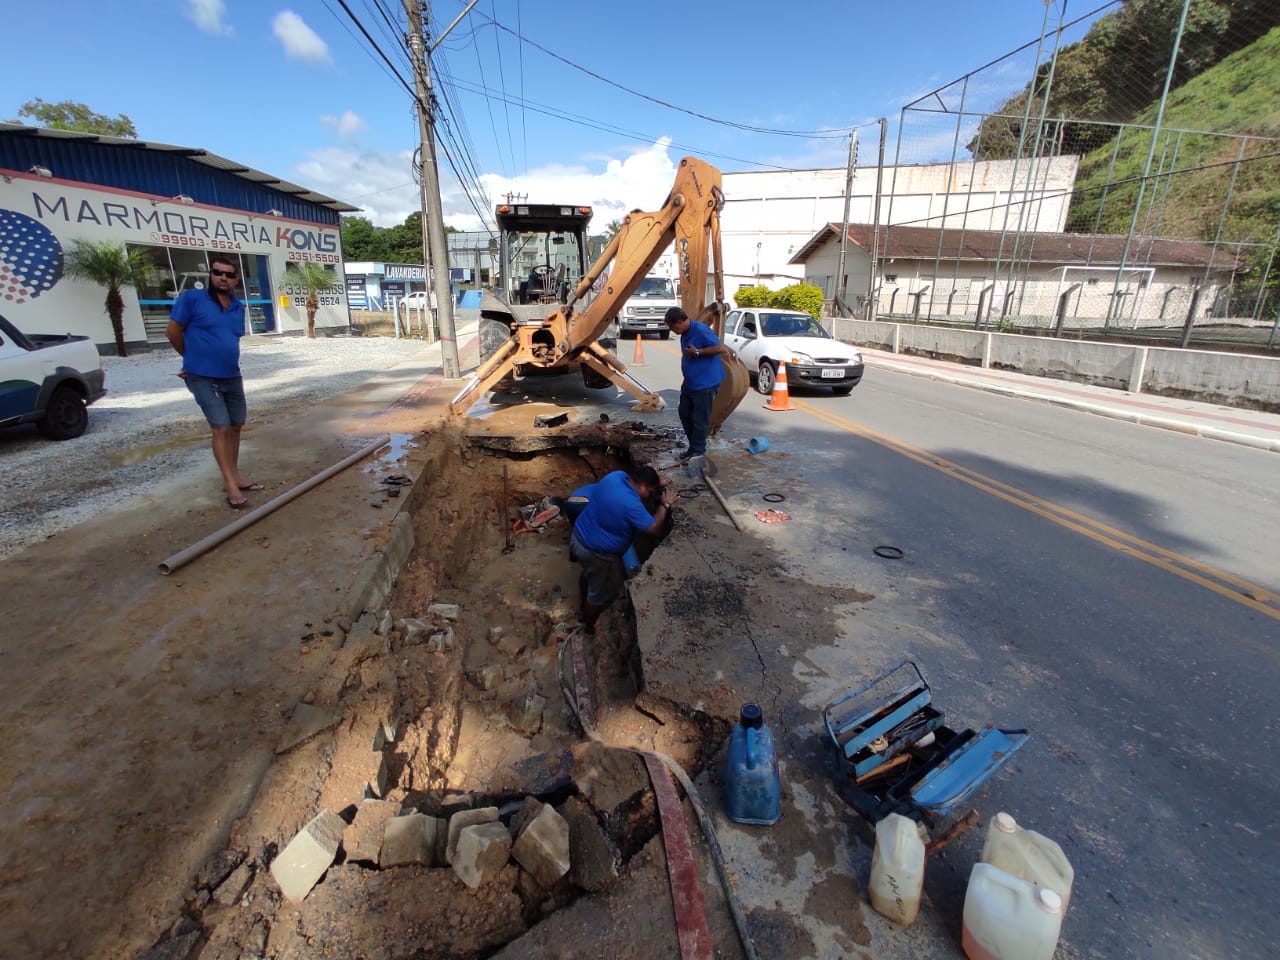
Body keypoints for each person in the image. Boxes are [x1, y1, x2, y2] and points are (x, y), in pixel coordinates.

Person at [166, 256, 262, 509]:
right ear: (211, 275)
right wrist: (190, 359)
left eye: (229, 275)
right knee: (220, 427)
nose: (222, 277)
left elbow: (231, 338)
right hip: (201, 376)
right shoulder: (192, 299)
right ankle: (229, 484)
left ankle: (234, 476)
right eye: (218, 272)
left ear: (236, 280)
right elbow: (173, 331)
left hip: (231, 374)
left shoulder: (237, 307)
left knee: (236, 426)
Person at [569, 465, 676, 628]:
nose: (648, 495)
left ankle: (582, 606)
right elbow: (654, 529)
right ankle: (588, 626)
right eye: (649, 490)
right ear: (641, 485)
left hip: (579, 536)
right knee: (597, 595)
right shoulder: (630, 503)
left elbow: (637, 484)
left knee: (588, 573)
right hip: (594, 552)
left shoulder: (616, 476)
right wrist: (665, 505)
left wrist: (655, 483)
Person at [664, 306, 725, 461]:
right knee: (684, 413)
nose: (672, 331)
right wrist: (686, 380)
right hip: (691, 383)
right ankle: (694, 448)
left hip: (705, 384)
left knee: (699, 419)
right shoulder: (685, 333)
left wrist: (699, 352)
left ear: (678, 322)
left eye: (672, 327)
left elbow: (720, 348)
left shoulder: (700, 329)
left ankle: (698, 452)